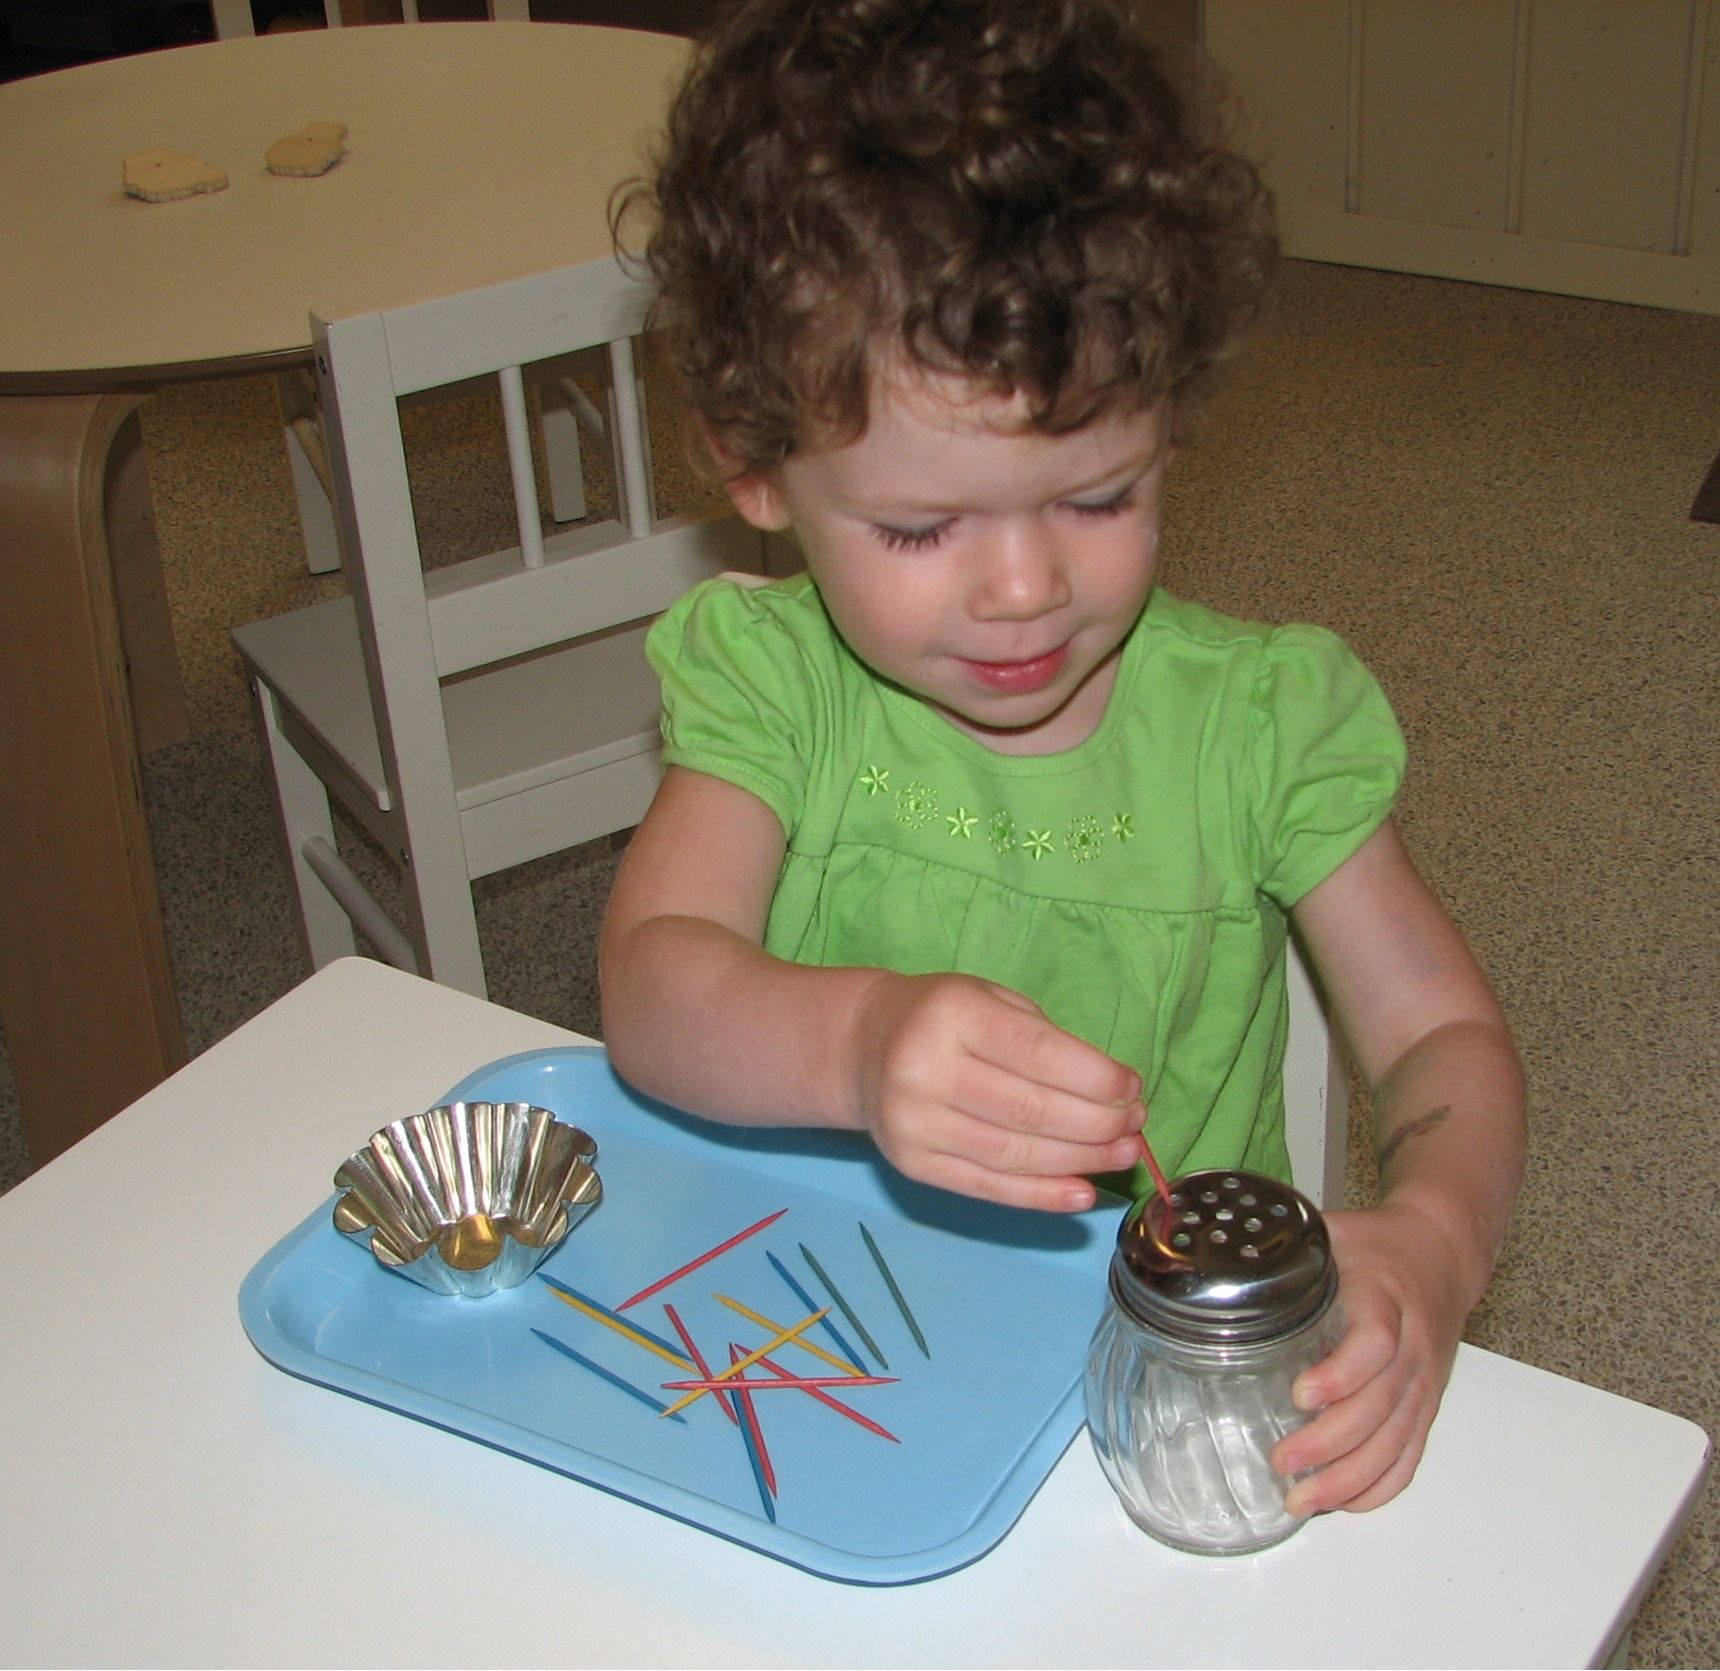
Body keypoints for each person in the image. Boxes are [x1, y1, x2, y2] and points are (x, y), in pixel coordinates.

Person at [599, 0, 1525, 1518]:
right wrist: (857, 1044)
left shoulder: (1258, 725)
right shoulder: (779, 691)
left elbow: (1442, 1040)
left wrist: (1434, 1231)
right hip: (815, 1351)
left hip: (1166, 1395)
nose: (1025, 590)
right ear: (755, 466)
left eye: (1097, 497)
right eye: (919, 528)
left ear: (1172, 428)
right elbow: (651, 985)